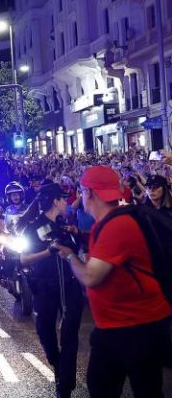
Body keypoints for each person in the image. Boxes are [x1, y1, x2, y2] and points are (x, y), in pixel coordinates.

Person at [54, 165, 172, 398]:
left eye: (82, 191)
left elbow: (91, 277)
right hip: (117, 326)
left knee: (141, 391)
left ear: (89, 193)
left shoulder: (116, 226)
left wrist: (69, 255)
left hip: (136, 326)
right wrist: (80, 235)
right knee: (103, 386)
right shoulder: (109, 222)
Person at [19, 182, 83, 398]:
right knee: (45, 332)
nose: (66, 203)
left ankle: (64, 387)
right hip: (44, 286)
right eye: (63, 199)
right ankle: (58, 366)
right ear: (55, 201)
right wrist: (48, 252)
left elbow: (77, 250)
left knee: (70, 335)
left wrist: (76, 234)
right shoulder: (33, 227)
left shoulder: (66, 224)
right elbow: (24, 259)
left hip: (70, 286)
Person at [0, 181, 27, 310]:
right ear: (8, 197)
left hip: (26, 240)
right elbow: (0, 223)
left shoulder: (28, 208)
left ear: (21, 195)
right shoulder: (5, 210)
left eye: (17, 194)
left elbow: (34, 222)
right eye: (12, 195)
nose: (15, 197)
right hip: (10, 240)